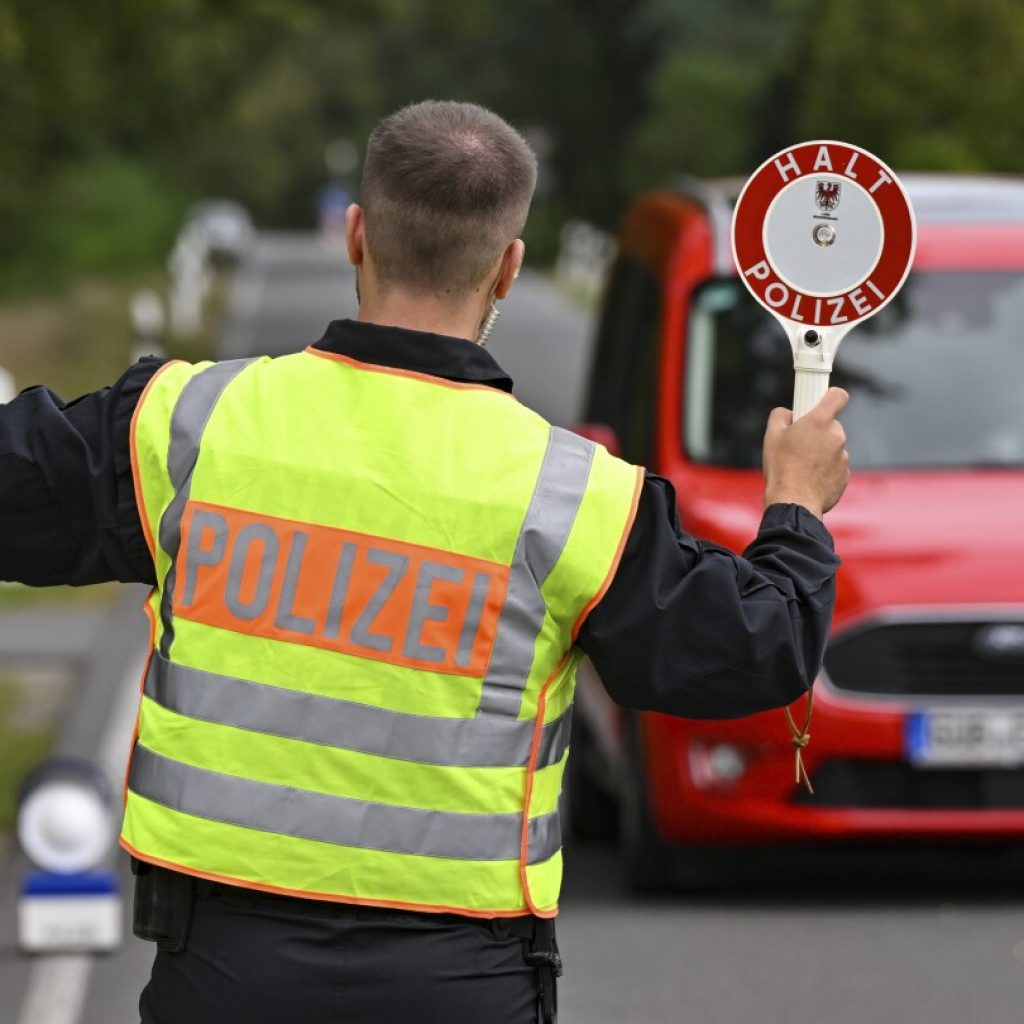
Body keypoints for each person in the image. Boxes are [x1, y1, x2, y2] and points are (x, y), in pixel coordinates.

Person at [0, 100, 848, 1024]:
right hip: (460, 983)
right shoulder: (575, 496)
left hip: (224, 972)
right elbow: (757, 649)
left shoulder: (187, 425)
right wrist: (795, 503)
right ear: (511, 268)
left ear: (356, 236)